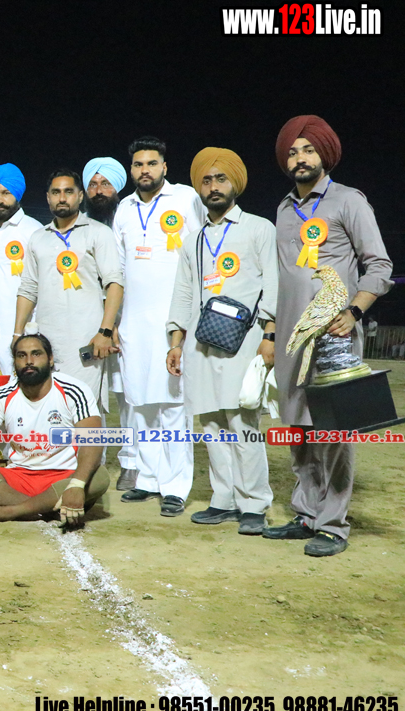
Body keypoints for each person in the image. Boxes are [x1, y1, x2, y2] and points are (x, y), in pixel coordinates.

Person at [266, 115, 393, 556]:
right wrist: (271, 329)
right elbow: (282, 278)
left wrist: (354, 311)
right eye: (292, 152)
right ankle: (306, 514)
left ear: (325, 154)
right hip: (292, 339)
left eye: (308, 150)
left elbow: (380, 265)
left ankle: (333, 525)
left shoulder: (348, 201)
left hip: (334, 337)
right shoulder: (284, 209)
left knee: (334, 431)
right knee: (298, 429)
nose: (299, 158)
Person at [166, 148, 278, 536]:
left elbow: (272, 284)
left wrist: (269, 335)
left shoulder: (259, 228)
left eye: (220, 179)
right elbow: (183, 292)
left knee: (242, 422)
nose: (213, 187)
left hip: (246, 341)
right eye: (206, 180)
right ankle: (224, 499)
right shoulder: (193, 240)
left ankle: (254, 504)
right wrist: (175, 340)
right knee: (211, 423)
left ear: (235, 184)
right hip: (201, 342)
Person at [112, 136, 206, 517]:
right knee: (141, 405)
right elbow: (118, 269)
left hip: (174, 324)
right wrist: (114, 322)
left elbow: (203, 250)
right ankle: (148, 479)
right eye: (138, 164)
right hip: (134, 324)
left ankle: (175, 487)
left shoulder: (186, 199)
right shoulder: (124, 209)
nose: (145, 170)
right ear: (131, 169)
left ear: (165, 167)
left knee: (174, 407)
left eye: (152, 163)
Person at [0, 334, 109, 525]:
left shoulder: (74, 390)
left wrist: (77, 483)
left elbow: (92, 440)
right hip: (19, 478)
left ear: (50, 359)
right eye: (21, 355)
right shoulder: (0, 395)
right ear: (15, 362)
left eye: (36, 354)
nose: (29, 361)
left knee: (100, 477)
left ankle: (10, 511)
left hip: (64, 477)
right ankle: (46, 508)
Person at [14, 169, 123, 417]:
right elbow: (28, 288)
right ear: (48, 197)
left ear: (80, 196)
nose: (62, 198)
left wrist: (105, 332)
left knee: (86, 410)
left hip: (87, 341)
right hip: (47, 342)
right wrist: (18, 334)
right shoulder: (38, 238)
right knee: (51, 411)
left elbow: (115, 283)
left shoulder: (98, 232)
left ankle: (92, 447)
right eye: (56, 192)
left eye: (68, 192)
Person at [83, 156, 137, 490]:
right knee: (91, 392)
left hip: (127, 321)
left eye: (105, 184)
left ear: (117, 187)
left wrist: (116, 320)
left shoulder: (130, 220)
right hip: (90, 324)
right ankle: (93, 460)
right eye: (92, 184)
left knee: (126, 393)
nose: (98, 190)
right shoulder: (80, 226)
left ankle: (131, 461)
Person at [0, 163, 44, 374]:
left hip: (22, 328)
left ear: (17, 194)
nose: (0, 200)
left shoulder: (34, 230)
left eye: (6, 193)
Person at [82, 157, 127, 227]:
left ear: (116, 188)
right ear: (86, 190)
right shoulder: (79, 225)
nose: (99, 191)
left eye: (105, 184)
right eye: (92, 185)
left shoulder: (128, 219)